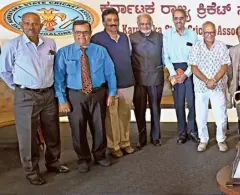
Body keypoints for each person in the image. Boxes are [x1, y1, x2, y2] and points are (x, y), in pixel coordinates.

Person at [0, 12, 69, 185]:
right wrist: (20, 88)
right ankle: (32, 172)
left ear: (41, 25)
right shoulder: (12, 45)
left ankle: (53, 163)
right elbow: (4, 71)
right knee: (27, 136)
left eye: (35, 23)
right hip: (26, 96)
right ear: (21, 25)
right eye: (27, 23)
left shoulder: (50, 43)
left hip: (48, 94)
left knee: (52, 131)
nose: (31, 27)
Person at [54, 20, 117, 173]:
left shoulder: (100, 51)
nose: (82, 35)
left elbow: (110, 73)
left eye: (85, 32)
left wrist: (112, 93)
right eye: (78, 32)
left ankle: (100, 155)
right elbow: (58, 79)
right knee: (77, 129)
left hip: (98, 93)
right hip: (74, 96)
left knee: (99, 127)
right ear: (73, 33)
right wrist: (62, 100)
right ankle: (83, 159)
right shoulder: (64, 52)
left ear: (90, 32)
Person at [91, 8, 135, 157]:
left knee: (125, 115)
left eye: (115, 20)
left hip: (128, 82)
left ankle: (125, 143)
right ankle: (114, 145)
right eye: (109, 20)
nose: (113, 23)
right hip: (110, 86)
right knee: (111, 118)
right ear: (103, 22)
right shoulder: (97, 39)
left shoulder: (124, 37)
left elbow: (128, 56)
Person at [188, 21, 230, 152]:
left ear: (215, 32)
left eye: (212, 32)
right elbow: (193, 67)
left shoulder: (222, 46)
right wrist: (207, 81)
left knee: (221, 117)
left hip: (217, 86)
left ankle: (221, 139)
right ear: (202, 33)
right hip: (201, 87)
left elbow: (225, 65)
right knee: (201, 117)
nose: (209, 35)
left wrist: (214, 80)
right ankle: (203, 140)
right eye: (207, 32)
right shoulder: (196, 46)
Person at [163, 9, 200, 144]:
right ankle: (182, 132)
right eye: (176, 18)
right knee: (178, 104)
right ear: (173, 19)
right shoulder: (167, 34)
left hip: (189, 71)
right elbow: (165, 57)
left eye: (181, 18)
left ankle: (192, 131)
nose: (178, 21)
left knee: (192, 103)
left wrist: (186, 74)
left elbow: (195, 57)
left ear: (186, 18)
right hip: (174, 71)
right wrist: (174, 73)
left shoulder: (193, 35)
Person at [130, 14, 164, 149]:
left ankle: (155, 137)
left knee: (155, 108)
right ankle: (142, 137)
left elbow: (165, 55)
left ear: (152, 23)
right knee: (139, 109)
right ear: (138, 24)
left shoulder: (160, 37)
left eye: (147, 23)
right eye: (142, 24)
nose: (145, 26)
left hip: (156, 77)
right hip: (138, 79)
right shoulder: (131, 38)